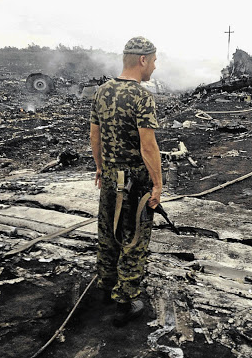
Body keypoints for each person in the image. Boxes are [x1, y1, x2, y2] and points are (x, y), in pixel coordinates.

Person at [89, 36, 162, 327]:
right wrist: (157, 184)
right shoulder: (143, 97)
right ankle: (127, 298)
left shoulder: (102, 91)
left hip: (108, 177)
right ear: (142, 60)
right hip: (134, 182)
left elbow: (94, 136)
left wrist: (99, 168)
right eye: (154, 61)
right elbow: (148, 147)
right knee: (133, 238)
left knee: (108, 232)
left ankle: (107, 286)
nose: (154, 67)